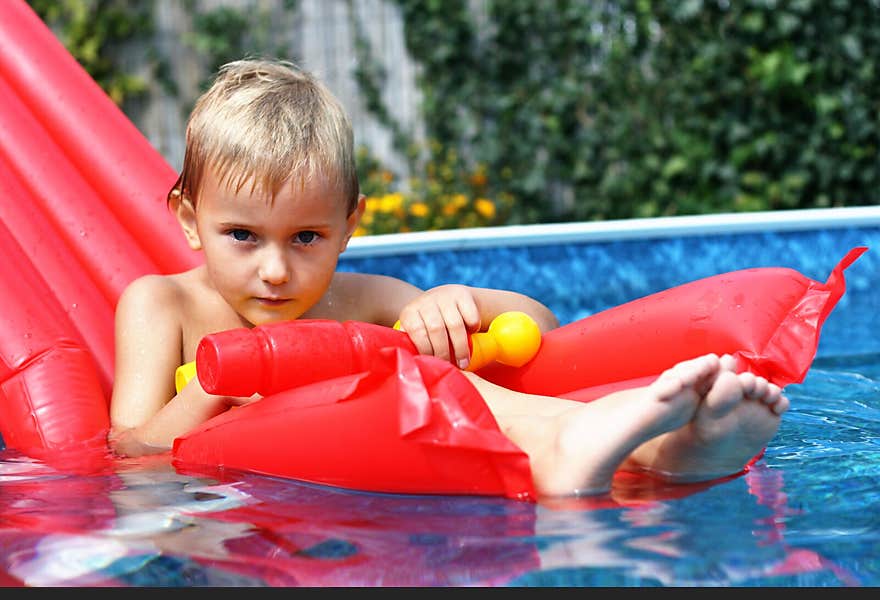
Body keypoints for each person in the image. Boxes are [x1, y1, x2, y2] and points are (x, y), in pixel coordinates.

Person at [109, 58, 789, 498]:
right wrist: (215, 384)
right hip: (240, 510)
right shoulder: (161, 305)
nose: (277, 268)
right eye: (243, 236)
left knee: (444, 377)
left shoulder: (361, 298)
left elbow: (540, 333)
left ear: (350, 224)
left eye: (307, 237)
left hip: (365, 469)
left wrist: (454, 303)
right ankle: (584, 448)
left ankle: (671, 449)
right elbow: (131, 448)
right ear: (191, 221)